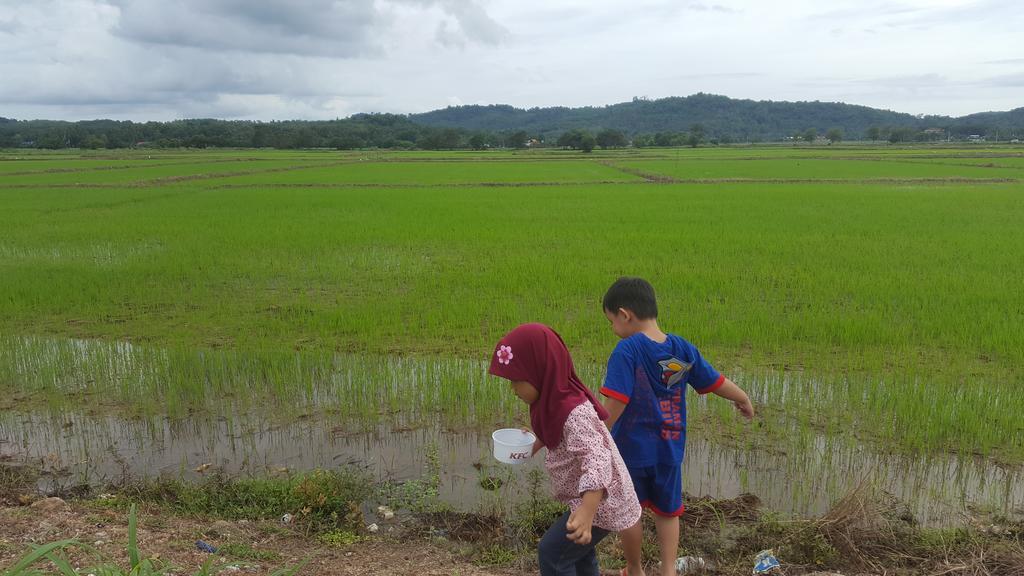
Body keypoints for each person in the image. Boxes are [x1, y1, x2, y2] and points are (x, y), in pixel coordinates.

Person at [599, 277, 755, 576]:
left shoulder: (627, 350)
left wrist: (596, 436)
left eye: (611, 322)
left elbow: (615, 403)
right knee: (668, 511)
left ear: (625, 314)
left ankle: (634, 569)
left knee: (630, 512)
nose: (613, 329)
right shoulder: (682, 348)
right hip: (670, 449)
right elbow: (715, 381)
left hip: (631, 451)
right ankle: (668, 570)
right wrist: (742, 397)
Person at [489, 323, 641, 576]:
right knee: (579, 555)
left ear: (539, 372)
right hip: (589, 499)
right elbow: (557, 432)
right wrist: (535, 443)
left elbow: (597, 458)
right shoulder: (556, 399)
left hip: (600, 500)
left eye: (516, 380)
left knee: (552, 554)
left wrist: (587, 511)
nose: (513, 389)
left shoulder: (574, 413)